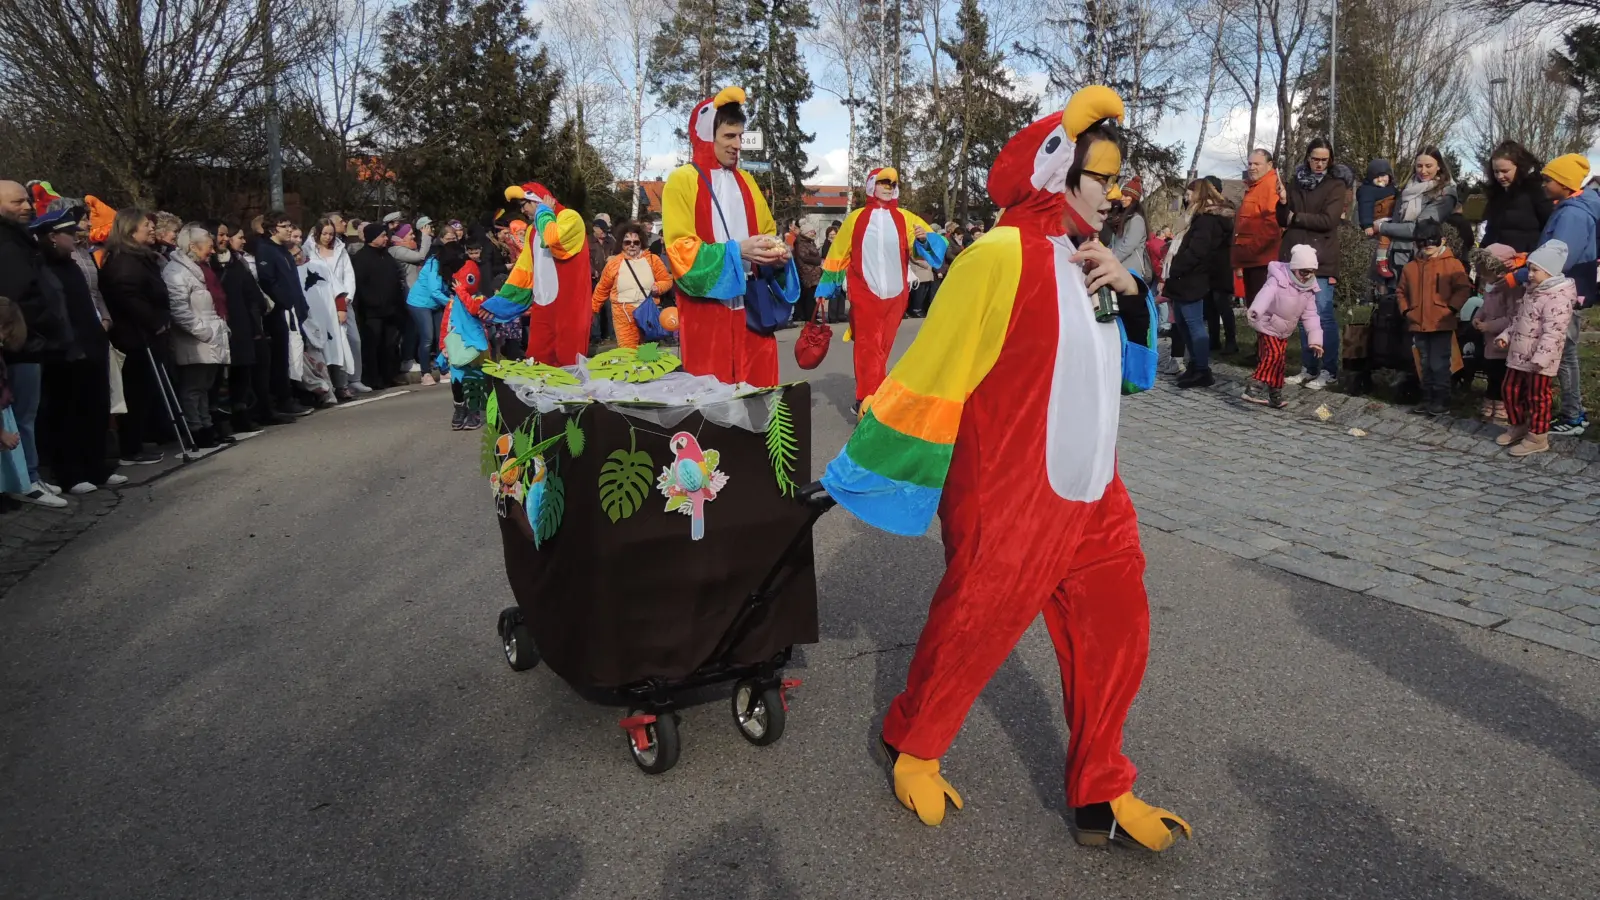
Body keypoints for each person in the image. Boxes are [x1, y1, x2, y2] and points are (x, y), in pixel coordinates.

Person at [821, 86, 1185, 851]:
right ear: (1057, 173)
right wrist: (867, 467)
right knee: (974, 627)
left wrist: (1134, 299)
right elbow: (934, 369)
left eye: (1119, 174)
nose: (1115, 189)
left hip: (1094, 495)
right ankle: (913, 741)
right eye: (1103, 172)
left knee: (1119, 631)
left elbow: (1128, 376)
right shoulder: (997, 254)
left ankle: (1101, 788)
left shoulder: (1091, 258)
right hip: (1011, 495)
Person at [660, 86, 788, 386]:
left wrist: (778, 253)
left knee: (759, 400)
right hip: (707, 317)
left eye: (740, 136)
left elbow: (768, 233)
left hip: (752, 313)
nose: (737, 145)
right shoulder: (682, 181)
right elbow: (680, 252)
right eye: (729, 137)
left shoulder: (747, 181)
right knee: (712, 408)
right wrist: (736, 252)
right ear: (707, 136)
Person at [816, 167, 948, 413]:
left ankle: (874, 393)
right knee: (868, 346)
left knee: (882, 347)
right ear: (871, 185)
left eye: (893, 183)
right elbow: (838, 253)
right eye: (883, 182)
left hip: (897, 294)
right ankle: (866, 398)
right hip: (865, 292)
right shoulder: (855, 218)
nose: (888, 186)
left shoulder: (907, 218)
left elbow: (937, 245)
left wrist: (921, 240)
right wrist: (826, 285)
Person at [31, 207, 123, 494]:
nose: (75, 239)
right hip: (64, 350)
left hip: (91, 343)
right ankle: (70, 472)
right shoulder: (42, 266)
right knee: (67, 412)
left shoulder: (71, 264)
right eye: (69, 234)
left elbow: (88, 301)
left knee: (95, 407)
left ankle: (97, 467)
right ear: (52, 237)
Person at [0, 180, 74, 501]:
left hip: (28, 339)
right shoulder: (7, 245)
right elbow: (18, 297)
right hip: (22, 342)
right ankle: (28, 480)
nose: (28, 207)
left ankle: (27, 475)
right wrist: (42, 326)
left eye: (27, 201)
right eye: (18, 202)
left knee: (26, 414)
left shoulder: (18, 241)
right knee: (23, 415)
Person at [1514, 154, 1597, 437]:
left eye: (1549, 180)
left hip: (1563, 292)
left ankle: (1573, 415)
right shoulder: (1569, 207)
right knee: (1564, 352)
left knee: (1564, 353)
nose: (1544, 184)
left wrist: (1521, 274)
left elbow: (1560, 257)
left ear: (1565, 183)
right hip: (1567, 288)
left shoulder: (1573, 214)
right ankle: (1573, 413)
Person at [99, 207, 173, 463]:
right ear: (130, 229)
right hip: (135, 335)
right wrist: (155, 322)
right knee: (136, 391)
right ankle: (131, 447)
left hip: (146, 332)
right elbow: (129, 297)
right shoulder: (124, 261)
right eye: (146, 226)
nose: (152, 229)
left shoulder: (140, 257)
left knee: (145, 391)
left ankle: (140, 438)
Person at [1277, 138, 1352, 389]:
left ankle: (1328, 369)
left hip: (1321, 259)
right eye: (1315, 158)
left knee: (1322, 315)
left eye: (1324, 159)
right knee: (1301, 316)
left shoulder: (1335, 185)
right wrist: (1283, 201)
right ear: (1307, 157)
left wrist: (1295, 216)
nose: (1319, 164)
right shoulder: (1296, 182)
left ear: (1330, 160)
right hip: (1295, 256)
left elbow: (1328, 221)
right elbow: (1282, 219)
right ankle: (1308, 367)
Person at [488, 182, 591, 365]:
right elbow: (524, 270)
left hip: (568, 308)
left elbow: (552, 239)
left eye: (524, 205)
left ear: (535, 199)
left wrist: (544, 211)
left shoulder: (570, 217)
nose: (523, 211)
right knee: (537, 361)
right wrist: (501, 302)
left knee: (569, 364)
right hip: (542, 307)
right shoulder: (531, 231)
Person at [1495, 240, 1578, 456]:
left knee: (1538, 397)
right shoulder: (1532, 291)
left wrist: (1542, 357)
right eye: (1529, 269)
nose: (1529, 274)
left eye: (1535, 270)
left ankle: (1538, 435)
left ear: (1549, 272)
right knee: (1510, 390)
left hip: (1540, 360)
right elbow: (1519, 320)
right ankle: (1518, 425)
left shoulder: (1557, 299)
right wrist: (1506, 335)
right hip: (1519, 354)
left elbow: (1554, 332)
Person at [209, 220, 285, 430]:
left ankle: (245, 413)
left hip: (246, 322)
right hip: (222, 323)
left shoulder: (235, 262)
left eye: (226, 235)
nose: (223, 239)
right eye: (220, 235)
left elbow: (252, 292)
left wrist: (256, 313)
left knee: (246, 369)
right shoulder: (210, 265)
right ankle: (218, 419)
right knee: (220, 376)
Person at [162, 223, 232, 447]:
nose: (212, 251)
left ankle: (207, 424)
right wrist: (204, 332)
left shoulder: (202, 269)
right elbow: (179, 309)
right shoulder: (177, 272)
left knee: (204, 386)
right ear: (192, 246)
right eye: (208, 247)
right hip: (195, 338)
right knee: (193, 387)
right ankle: (197, 428)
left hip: (211, 334)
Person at [1164, 178, 1233, 388]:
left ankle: (1202, 368)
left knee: (1193, 323)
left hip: (1193, 277)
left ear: (1198, 193)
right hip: (1187, 276)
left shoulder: (1206, 220)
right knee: (1184, 323)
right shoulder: (1198, 218)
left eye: (1189, 192)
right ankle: (1195, 364)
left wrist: (1177, 267)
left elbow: (1198, 250)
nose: (1186, 196)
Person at [1396, 220, 1471, 416]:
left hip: (1441, 323)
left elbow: (1463, 289)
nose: (1428, 244)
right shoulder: (1410, 267)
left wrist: (1451, 309)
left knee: (1439, 364)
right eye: (1422, 241)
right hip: (1418, 323)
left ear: (1442, 240)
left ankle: (1442, 401)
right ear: (1416, 243)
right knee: (1424, 363)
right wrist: (1406, 311)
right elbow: (1401, 292)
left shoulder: (1453, 264)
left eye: (1432, 240)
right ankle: (1427, 399)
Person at [1243, 245, 1324, 409]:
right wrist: (1256, 310)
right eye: (1303, 272)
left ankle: (1275, 396)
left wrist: (1316, 340)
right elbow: (1265, 295)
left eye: (1310, 272)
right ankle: (1254, 386)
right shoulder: (1278, 279)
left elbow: (1311, 316)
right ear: (1294, 268)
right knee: (1273, 355)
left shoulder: (1309, 289)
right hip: (1267, 325)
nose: (1306, 276)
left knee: (1279, 363)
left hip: (1284, 331)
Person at [252, 211, 312, 417]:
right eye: (284, 226)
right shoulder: (266, 251)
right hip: (279, 312)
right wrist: (284, 301)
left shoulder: (283, 251)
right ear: (272, 229)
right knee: (281, 355)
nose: (289, 229)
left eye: (289, 225)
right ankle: (282, 398)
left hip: (293, 309)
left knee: (291, 353)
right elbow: (268, 281)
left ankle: (292, 394)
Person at [589, 222, 672, 350]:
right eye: (627, 242)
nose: (632, 245)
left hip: (647, 313)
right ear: (621, 244)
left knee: (648, 354)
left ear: (641, 243)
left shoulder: (652, 260)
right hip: (623, 315)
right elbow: (602, 289)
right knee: (628, 354)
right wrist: (592, 311)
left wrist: (658, 287)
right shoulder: (614, 264)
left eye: (636, 242)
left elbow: (667, 280)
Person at [304, 218, 360, 399]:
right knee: (324, 345)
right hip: (319, 304)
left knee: (346, 342)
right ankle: (329, 385)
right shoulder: (307, 251)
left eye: (331, 233)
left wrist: (346, 299)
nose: (328, 237)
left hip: (341, 301)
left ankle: (347, 382)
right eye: (325, 233)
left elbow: (349, 276)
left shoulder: (340, 250)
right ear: (317, 233)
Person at [1469, 244, 1524, 425]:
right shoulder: (1491, 287)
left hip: (1503, 342)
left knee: (1502, 376)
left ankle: (1501, 406)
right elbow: (1485, 307)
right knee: (1491, 373)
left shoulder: (1511, 289)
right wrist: (1478, 318)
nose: (1483, 277)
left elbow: (1513, 317)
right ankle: (1490, 401)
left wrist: (1489, 326)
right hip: (1489, 342)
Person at [351, 223, 407, 387]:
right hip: (371, 312)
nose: (386, 239)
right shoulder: (361, 258)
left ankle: (388, 376)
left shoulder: (387, 256)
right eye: (382, 235)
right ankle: (372, 378)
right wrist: (370, 303)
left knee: (389, 346)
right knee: (372, 346)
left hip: (391, 310)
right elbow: (360, 286)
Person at [1232, 149, 1283, 316]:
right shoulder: (1255, 187)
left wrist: (1251, 251)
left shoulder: (1269, 186)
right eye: (1249, 164)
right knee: (1256, 310)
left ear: (1269, 165)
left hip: (1262, 261)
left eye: (1257, 164)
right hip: (1252, 260)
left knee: (1263, 311)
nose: (1251, 167)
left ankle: (1268, 342)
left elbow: (1272, 225)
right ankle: (1263, 341)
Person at [1481, 141, 1552, 254]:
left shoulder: (1536, 192)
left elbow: (1549, 229)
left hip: (1525, 263)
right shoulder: (1496, 195)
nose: (1500, 176)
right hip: (1495, 262)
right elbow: (1491, 230)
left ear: (1520, 168)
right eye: (1496, 172)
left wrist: (1529, 256)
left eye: (1505, 171)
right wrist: (1482, 251)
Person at [1355, 159, 1398, 278]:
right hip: (1377, 220)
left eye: (1383, 176)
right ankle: (1381, 262)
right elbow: (1365, 207)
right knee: (1384, 238)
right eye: (1376, 177)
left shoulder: (1392, 189)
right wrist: (1367, 224)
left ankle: (1388, 261)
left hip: (1390, 220)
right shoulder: (1367, 190)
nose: (1380, 180)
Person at [1108, 176, 1151, 284]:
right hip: (1119, 268)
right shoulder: (1123, 218)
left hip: (1131, 271)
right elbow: (1114, 243)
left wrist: (1110, 261)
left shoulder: (1137, 220)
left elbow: (1128, 247)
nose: (1122, 198)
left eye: (1126, 196)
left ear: (1134, 199)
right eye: (1122, 194)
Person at [793, 223, 822, 323]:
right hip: (807, 273)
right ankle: (810, 317)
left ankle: (811, 315)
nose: (813, 233)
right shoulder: (801, 243)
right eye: (811, 231)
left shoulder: (809, 242)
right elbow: (804, 257)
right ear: (805, 232)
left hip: (813, 273)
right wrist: (818, 260)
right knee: (810, 296)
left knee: (811, 296)